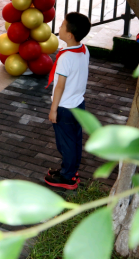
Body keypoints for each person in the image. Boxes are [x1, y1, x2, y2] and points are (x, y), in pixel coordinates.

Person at [44, 12, 91, 190]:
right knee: (75, 140)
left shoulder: (65, 58)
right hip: (79, 104)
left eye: (62, 25)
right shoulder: (84, 50)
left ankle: (67, 177)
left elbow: (60, 86)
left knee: (65, 143)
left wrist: (53, 109)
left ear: (69, 35)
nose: (59, 27)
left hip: (65, 108)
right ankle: (71, 170)